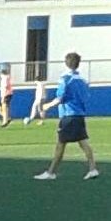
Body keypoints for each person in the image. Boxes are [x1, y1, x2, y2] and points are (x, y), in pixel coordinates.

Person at [35, 51, 100, 181]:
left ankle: (51, 172)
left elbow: (60, 98)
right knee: (83, 142)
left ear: (66, 63)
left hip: (68, 115)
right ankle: (93, 169)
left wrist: (47, 106)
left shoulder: (65, 79)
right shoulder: (82, 80)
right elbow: (86, 97)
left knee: (61, 143)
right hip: (79, 114)